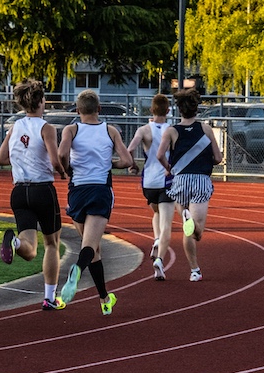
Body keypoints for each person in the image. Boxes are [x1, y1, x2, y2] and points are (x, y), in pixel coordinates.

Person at [57, 89, 136, 314]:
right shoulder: (110, 130)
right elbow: (127, 160)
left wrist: (67, 169)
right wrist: (109, 164)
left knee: (94, 248)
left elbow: (61, 154)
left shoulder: (71, 129)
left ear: (78, 111)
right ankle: (77, 269)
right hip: (100, 190)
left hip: (77, 191)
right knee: (89, 247)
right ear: (99, 109)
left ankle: (104, 299)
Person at [0, 79, 69, 310]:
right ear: (40, 101)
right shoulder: (47, 128)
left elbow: (0, 159)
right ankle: (49, 298)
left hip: (19, 191)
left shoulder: (14, 127)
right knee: (51, 244)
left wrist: (23, 160)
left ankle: (15, 242)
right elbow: (55, 160)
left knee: (29, 250)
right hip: (42, 189)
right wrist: (63, 173)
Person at [156, 87, 222, 282]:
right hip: (200, 180)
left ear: (179, 109)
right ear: (196, 108)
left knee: (187, 228)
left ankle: (195, 270)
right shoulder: (205, 129)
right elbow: (218, 158)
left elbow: (159, 155)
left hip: (180, 181)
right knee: (196, 232)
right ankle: (194, 270)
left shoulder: (171, 131)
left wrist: (169, 168)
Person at [127, 93, 172, 281]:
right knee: (167, 223)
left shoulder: (144, 130)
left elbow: (130, 149)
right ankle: (160, 259)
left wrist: (133, 165)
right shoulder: (172, 130)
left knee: (156, 213)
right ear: (168, 111)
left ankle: (156, 239)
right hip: (166, 179)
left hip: (149, 181)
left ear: (151, 110)